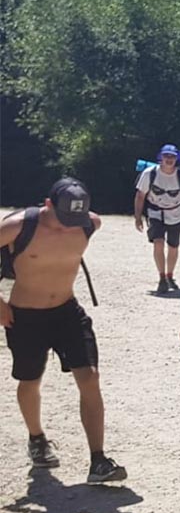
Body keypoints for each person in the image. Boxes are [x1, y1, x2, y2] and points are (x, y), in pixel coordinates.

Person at [0, 178, 126, 483]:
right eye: (63, 217)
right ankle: (37, 439)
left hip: (68, 313)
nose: (69, 226)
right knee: (30, 380)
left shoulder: (89, 224)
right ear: (47, 204)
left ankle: (98, 460)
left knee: (90, 378)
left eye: (76, 219)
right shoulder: (17, 226)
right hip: (25, 317)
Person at [134, 144, 180, 295]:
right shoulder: (149, 173)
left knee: (173, 247)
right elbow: (140, 196)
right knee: (158, 243)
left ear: (176, 159)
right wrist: (138, 217)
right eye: (166, 156)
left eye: (172, 156)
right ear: (161, 158)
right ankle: (162, 278)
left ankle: (170, 275)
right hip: (155, 213)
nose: (169, 159)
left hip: (176, 214)